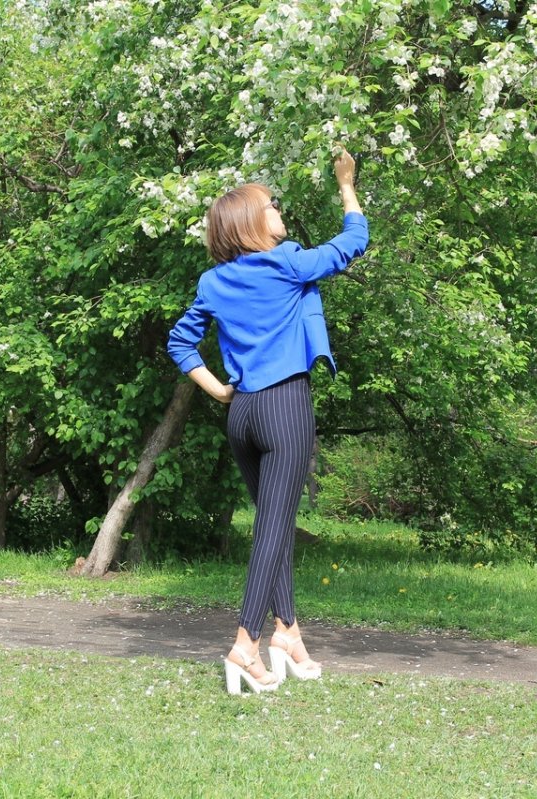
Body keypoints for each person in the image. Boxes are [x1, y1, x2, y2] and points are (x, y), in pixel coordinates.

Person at [167, 149, 368, 694]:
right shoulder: (288, 263)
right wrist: (346, 186)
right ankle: (245, 643)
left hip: (244, 415)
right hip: (285, 408)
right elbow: (354, 241)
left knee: (273, 526)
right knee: (273, 530)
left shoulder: (213, 282)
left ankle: (289, 634)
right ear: (252, 223)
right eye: (270, 205)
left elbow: (180, 342)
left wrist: (219, 390)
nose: (278, 210)